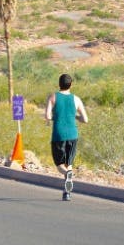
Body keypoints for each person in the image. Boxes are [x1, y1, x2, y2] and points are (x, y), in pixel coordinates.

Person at [45, 73, 89, 201]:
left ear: (59, 84)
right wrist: (75, 116)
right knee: (68, 163)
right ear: (71, 85)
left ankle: (67, 174)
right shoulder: (76, 99)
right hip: (73, 134)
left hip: (59, 134)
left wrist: (55, 117)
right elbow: (85, 119)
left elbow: (48, 116)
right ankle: (67, 193)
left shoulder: (53, 97)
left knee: (60, 164)